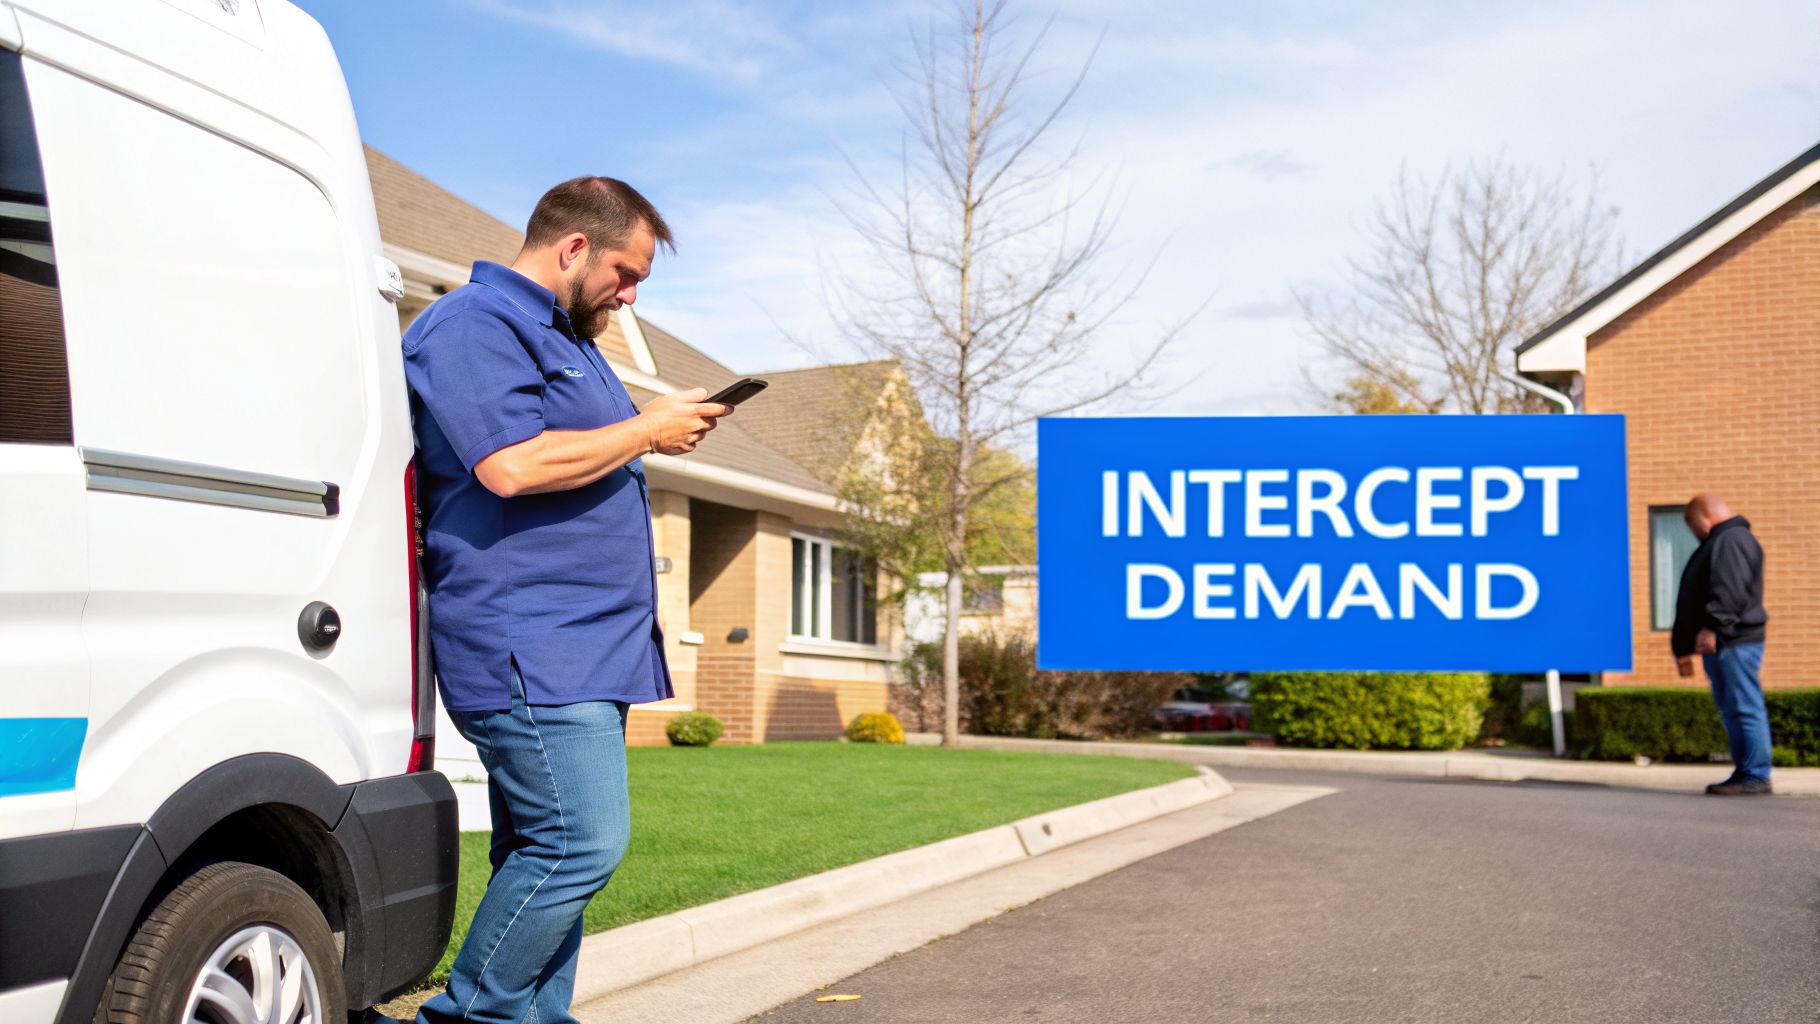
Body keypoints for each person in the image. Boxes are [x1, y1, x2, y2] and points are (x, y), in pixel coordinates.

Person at [401, 176, 730, 1023]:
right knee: (579, 843)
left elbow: (581, 453)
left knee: (539, 846)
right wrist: (647, 429)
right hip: (531, 643)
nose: (628, 296)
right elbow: (509, 466)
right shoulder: (476, 324)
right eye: (626, 274)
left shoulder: (570, 338)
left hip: (585, 647)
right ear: (574, 246)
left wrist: (654, 430)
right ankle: (467, 1017)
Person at [1671, 494, 1770, 796]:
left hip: (1735, 641)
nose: (1694, 532)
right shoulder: (1725, 540)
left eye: (1691, 525)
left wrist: (1714, 626)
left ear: (1701, 518)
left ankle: (1755, 774)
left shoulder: (1730, 539)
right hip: (1728, 642)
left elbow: (1729, 588)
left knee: (1744, 707)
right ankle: (1745, 772)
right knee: (1734, 709)